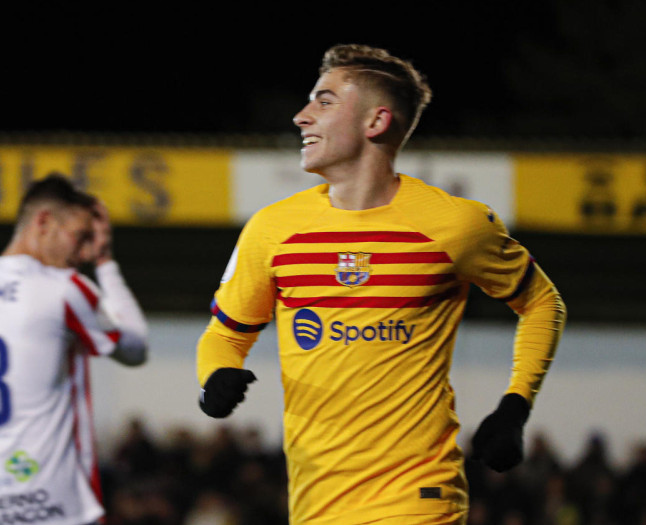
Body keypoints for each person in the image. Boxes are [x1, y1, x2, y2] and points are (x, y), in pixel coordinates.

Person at [194, 44, 566, 524]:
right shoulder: (271, 229)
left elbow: (542, 303)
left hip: (417, 498)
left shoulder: (455, 225)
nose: (301, 116)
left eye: (324, 101)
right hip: (314, 505)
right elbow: (226, 334)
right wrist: (213, 379)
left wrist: (514, 406)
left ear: (376, 122)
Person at [0, 174, 148, 525]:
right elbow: (135, 347)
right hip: (54, 507)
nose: (83, 252)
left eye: (92, 243)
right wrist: (105, 262)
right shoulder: (64, 289)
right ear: (44, 222)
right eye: (80, 236)